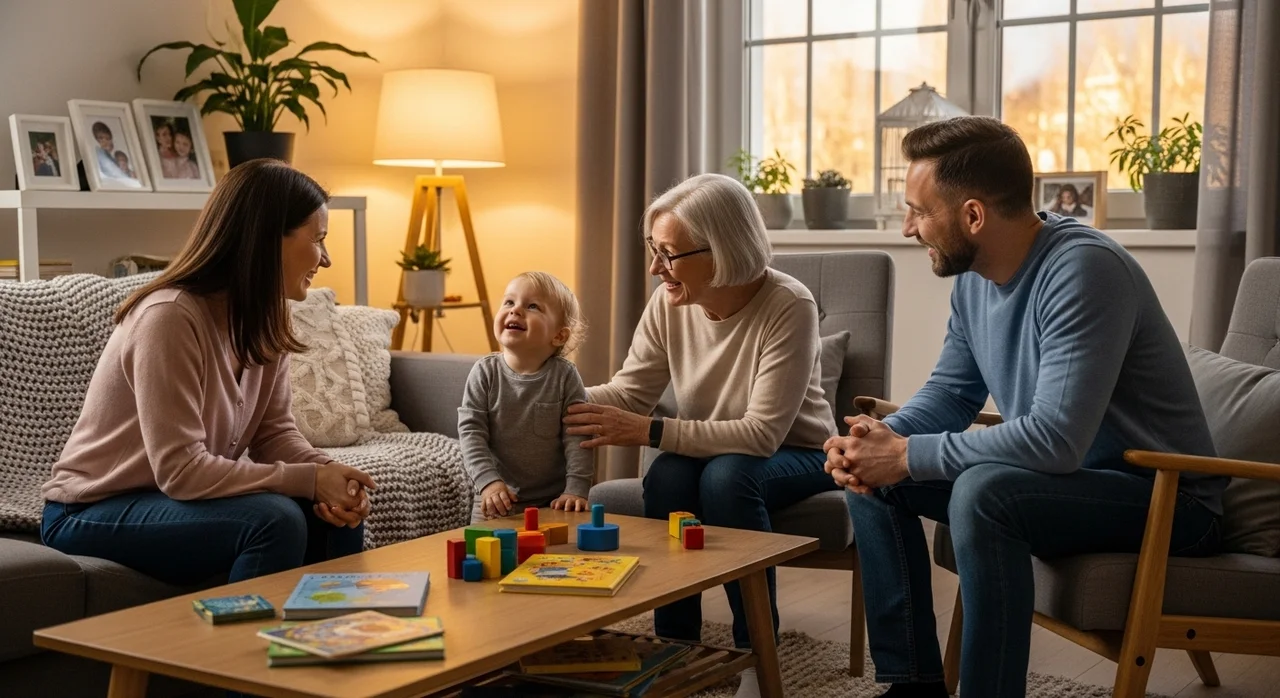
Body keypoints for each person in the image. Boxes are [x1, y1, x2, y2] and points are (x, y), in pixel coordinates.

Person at [824, 116, 1225, 698]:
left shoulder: (1084, 270)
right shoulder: (973, 278)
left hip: (1169, 501)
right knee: (873, 476)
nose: (908, 227)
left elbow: (1055, 441)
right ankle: (912, 685)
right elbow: (951, 394)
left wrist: (907, 454)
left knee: (985, 493)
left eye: (918, 210)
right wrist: (877, 440)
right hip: (1073, 485)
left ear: (973, 216)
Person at [564, 172, 838, 698]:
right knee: (667, 474)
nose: (654, 268)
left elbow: (760, 435)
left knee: (727, 478)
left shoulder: (789, 304)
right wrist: (550, 393)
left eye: (668, 253)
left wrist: (649, 431)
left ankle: (758, 649)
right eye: (654, 250)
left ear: (722, 249)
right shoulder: (669, 303)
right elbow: (629, 393)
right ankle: (675, 647)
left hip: (798, 452)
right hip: (711, 449)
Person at [41, 159, 377, 587]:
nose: (325, 259)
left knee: (335, 516)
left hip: (169, 499)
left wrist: (331, 476)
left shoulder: (266, 315)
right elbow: (181, 471)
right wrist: (308, 480)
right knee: (275, 520)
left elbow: (274, 434)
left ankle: (335, 644)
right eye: (319, 240)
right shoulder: (169, 317)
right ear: (267, 239)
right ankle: (237, 653)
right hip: (90, 510)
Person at [459, 271, 593, 523]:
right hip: (495, 499)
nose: (515, 311)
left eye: (532, 306)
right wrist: (488, 483)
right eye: (509, 302)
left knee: (556, 559)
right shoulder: (484, 372)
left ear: (559, 336)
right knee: (481, 558)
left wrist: (575, 489)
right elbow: (471, 433)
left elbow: (578, 436)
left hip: (553, 501)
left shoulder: (565, 376)